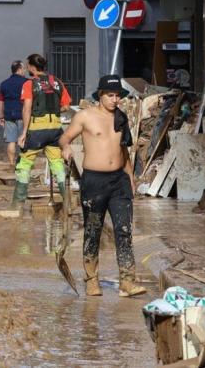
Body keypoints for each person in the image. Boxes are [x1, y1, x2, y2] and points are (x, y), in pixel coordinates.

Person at [59, 75, 146, 298]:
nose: (115, 100)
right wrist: (66, 148)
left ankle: (127, 281)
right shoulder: (85, 116)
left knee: (124, 230)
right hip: (94, 182)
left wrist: (130, 178)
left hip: (119, 182)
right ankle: (91, 280)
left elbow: (124, 151)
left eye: (117, 96)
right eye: (110, 95)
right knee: (93, 230)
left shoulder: (121, 118)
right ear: (101, 95)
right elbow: (64, 138)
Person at [12, 54, 71, 206]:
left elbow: (27, 108)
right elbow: (66, 106)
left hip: (37, 129)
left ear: (32, 67)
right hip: (55, 129)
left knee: (24, 164)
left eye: (28, 65)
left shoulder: (29, 84)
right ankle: (67, 201)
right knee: (57, 164)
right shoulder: (58, 82)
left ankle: (18, 203)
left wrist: (24, 132)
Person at [0, 60, 27, 168]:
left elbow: (0, 101)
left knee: (11, 141)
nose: (24, 71)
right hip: (23, 115)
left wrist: (1, 116)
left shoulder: (4, 84)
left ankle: (11, 163)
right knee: (23, 139)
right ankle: (23, 164)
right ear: (19, 69)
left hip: (8, 115)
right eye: (23, 68)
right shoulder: (26, 83)